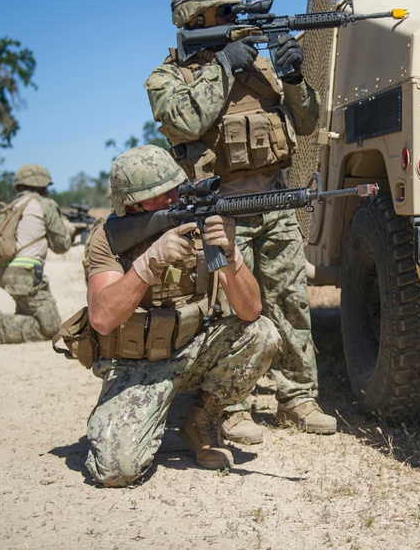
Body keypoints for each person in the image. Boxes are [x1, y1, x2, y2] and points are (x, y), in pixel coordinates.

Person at [144, 0, 335, 443]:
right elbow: (188, 121)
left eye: (234, 9)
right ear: (194, 16)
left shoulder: (258, 66)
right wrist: (224, 64)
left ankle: (299, 399)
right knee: (229, 310)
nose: (234, 17)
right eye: (224, 11)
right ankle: (231, 406)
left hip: (275, 199)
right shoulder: (168, 79)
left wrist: (292, 74)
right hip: (218, 211)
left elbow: (308, 122)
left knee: (290, 301)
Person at [81, 145, 280, 486]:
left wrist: (230, 256)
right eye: (160, 196)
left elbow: (251, 310)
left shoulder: (200, 221)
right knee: (116, 471)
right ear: (132, 205)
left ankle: (200, 420)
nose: (174, 199)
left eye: (176, 188)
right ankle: (144, 413)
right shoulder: (107, 238)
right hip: (135, 366)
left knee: (262, 333)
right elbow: (101, 318)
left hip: (192, 353)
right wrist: (149, 262)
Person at [0, 164, 77, 345]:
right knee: (51, 328)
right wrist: (70, 230)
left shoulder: (14, 205)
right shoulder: (44, 204)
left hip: (0, 272)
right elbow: (61, 246)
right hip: (23, 274)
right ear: (41, 186)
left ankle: (12, 318)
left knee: (30, 310)